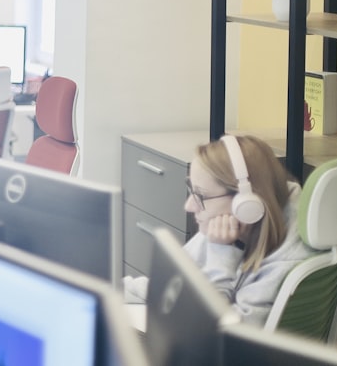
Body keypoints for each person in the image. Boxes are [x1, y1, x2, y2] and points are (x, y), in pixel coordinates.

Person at [123, 134, 318, 326]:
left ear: (247, 204)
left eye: (200, 195)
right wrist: (114, 288)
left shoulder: (284, 264)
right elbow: (171, 285)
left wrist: (222, 255)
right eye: (192, 191)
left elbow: (210, 331)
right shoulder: (225, 228)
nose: (189, 206)